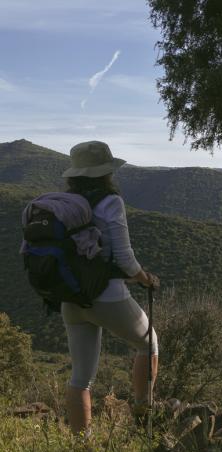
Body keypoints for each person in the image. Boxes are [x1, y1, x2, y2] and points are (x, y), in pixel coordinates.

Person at [59, 141, 160, 436]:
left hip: (71, 297)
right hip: (106, 296)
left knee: (81, 378)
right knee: (149, 344)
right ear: (105, 172)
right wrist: (144, 278)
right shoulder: (110, 201)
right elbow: (125, 258)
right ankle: (142, 413)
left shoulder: (65, 203)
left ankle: (81, 446)